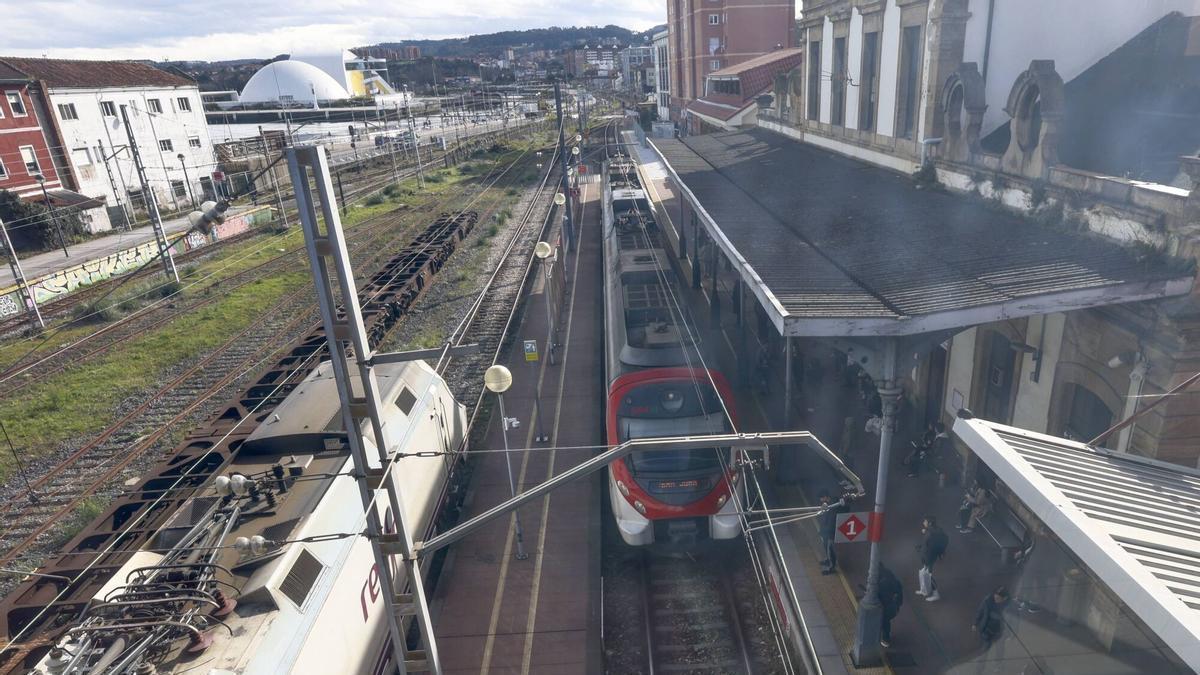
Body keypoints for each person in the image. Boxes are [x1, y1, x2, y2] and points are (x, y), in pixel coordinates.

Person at [916, 516, 949, 601]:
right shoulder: (932, 531)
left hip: (929, 556)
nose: (923, 523)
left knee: (928, 575)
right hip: (927, 555)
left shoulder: (931, 532)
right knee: (925, 573)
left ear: (930, 523)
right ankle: (924, 590)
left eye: (925, 521)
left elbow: (931, 545)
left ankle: (935, 594)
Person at [816, 493, 844, 575]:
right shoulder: (830, 506)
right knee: (827, 547)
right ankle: (828, 560)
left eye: (821, 498)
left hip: (830, 532)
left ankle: (832, 567)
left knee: (830, 549)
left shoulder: (833, 507)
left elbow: (831, 521)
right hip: (826, 531)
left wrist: (827, 531)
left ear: (825, 497)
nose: (820, 500)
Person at [877, 564, 903, 648]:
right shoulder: (889, 575)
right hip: (893, 605)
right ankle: (885, 637)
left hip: (887, 607)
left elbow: (879, 595)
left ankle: (886, 639)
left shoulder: (881, 583)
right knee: (885, 621)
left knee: (884, 621)